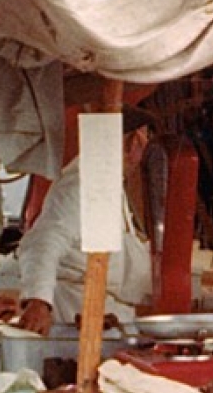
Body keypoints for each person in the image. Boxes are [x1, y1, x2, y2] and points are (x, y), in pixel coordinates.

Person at [14, 109, 154, 336]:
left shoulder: (107, 183)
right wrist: (39, 301)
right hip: (76, 318)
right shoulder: (81, 185)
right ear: (134, 142)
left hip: (107, 317)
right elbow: (42, 242)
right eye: (144, 139)